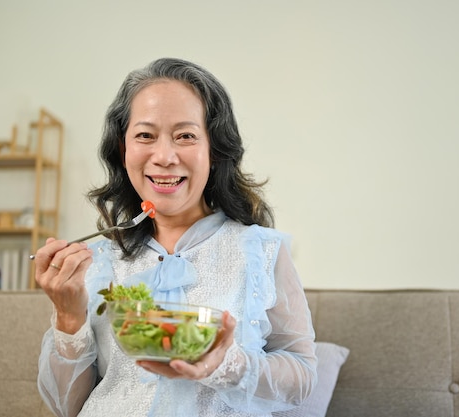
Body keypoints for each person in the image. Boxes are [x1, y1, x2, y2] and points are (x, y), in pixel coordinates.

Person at [33, 57, 317, 417]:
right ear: (123, 151)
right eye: (145, 136)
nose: (164, 156)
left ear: (213, 150)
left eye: (185, 136)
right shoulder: (96, 261)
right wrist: (68, 316)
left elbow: (303, 377)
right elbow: (67, 407)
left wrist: (225, 365)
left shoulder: (260, 251)